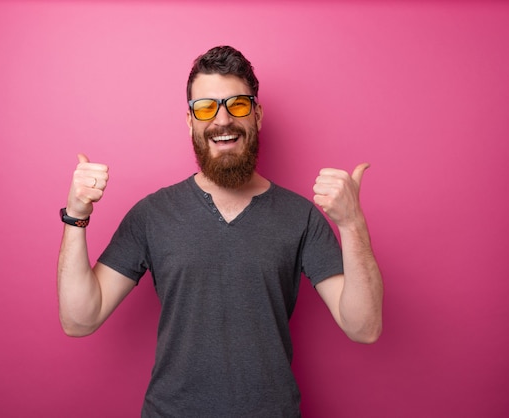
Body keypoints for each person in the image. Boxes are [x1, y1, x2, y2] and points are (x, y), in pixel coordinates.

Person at [57, 45, 383, 417]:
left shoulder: (300, 217)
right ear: (190, 120)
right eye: (206, 107)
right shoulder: (153, 214)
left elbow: (364, 327)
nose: (223, 120)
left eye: (238, 105)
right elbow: (80, 319)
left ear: (257, 115)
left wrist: (352, 224)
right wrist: (76, 216)